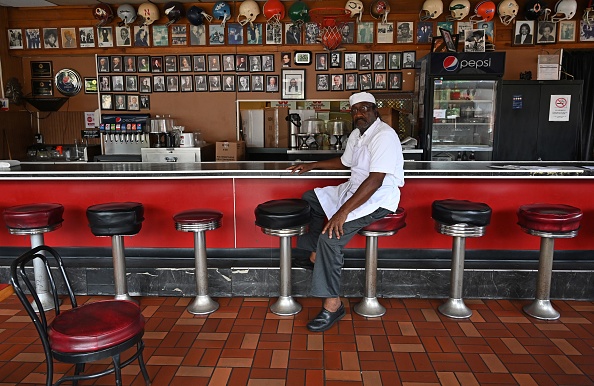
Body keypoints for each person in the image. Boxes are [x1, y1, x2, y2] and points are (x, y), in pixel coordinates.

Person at [287, 92, 404, 332]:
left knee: (330, 239)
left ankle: (333, 305)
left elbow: (375, 181)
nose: (359, 113)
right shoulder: (356, 134)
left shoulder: (384, 136)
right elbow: (344, 163)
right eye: (355, 110)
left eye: (364, 108)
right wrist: (312, 165)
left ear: (375, 110)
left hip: (377, 199)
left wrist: (341, 213)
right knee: (312, 198)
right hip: (353, 191)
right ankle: (315, 253)